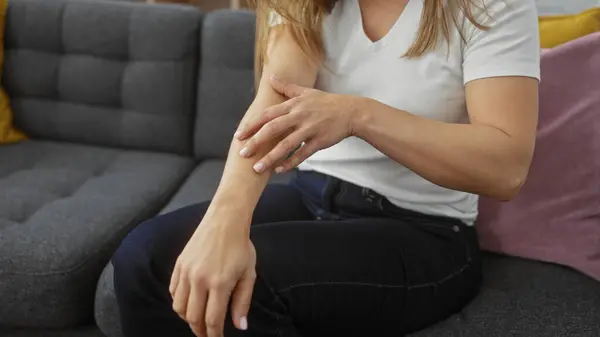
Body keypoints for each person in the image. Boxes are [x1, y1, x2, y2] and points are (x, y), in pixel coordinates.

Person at [112, 0, 540, 336]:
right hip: (313, 195)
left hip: (425, 231)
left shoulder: (487, 5)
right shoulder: (305, 3)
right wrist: (223, 224)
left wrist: (359, 115)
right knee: (145, 256)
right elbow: (271, 110)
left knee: (250, 284)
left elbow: (505, 168)